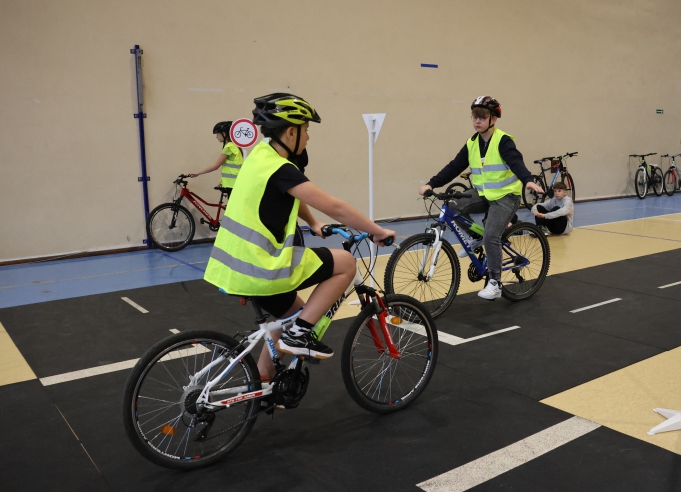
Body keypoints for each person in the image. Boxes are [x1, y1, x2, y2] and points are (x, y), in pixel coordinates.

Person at [204, 94, 395, 382]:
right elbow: (336, 207)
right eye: (306, 129)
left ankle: (262, 385)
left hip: (234, 266)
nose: (308, 136)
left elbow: (291, 194)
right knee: (345, 262)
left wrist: (314, 223)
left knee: (291, 316)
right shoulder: (281, 169)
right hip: (261, 268)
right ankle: (300, 335)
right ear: (291, 132)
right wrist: (377, 231)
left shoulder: (260, 156)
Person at [419, 96, 544, 300]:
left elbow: (516, 162)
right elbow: (454, 166)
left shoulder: (503, 141)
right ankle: (476, 237)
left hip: (505, 197)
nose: (477, 121)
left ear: (493, 119)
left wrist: (528, 180)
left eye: (482, 117)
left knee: (491, 236)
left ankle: (495, 282)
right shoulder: (472, 143)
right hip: (482, 193)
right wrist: (431, 184)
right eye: (474, 117)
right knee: (452, 205)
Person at [188, 121, 244, 192]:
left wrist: (198, 173)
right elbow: (230, 169)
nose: (216, 137)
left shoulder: (229, 147)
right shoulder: (234, 146)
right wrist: (221, 181)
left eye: (217, 134)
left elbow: (216, 166)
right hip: (235, 183)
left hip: (232, 185)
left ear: (224, 133)